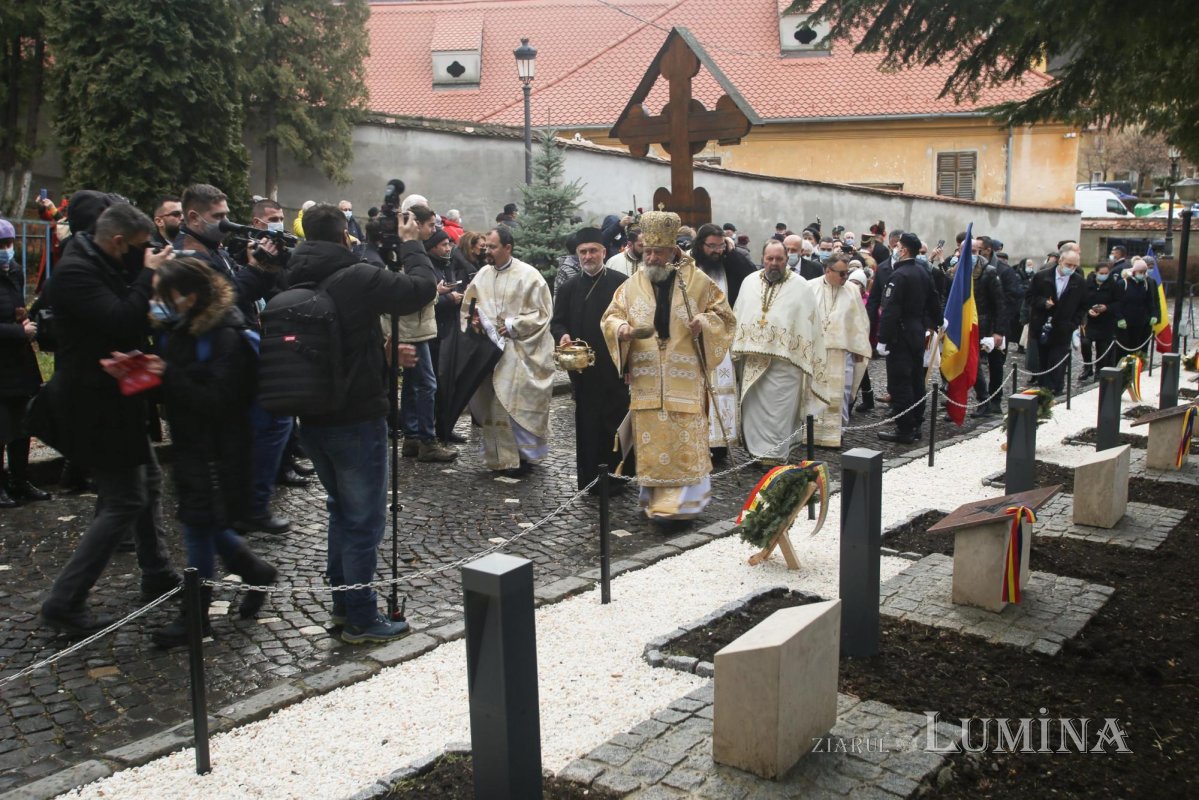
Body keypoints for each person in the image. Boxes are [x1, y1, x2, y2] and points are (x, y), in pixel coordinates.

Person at [287, 203, 436, 644]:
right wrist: (411, 244)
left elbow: (338, 343)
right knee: (364, 520)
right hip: (355, 416)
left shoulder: (296, 273)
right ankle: (361, 616)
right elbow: (419, 290)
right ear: (344, 236)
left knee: (340, 511)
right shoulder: (352, 274)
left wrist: (383, 355)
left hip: (313, 414)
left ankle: (342, 602)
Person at [38, 203, 179, 635]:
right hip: (91, 404)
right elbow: (120, 318)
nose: (143, 255)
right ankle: (65, 601)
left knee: (149, 483)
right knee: (124, 501)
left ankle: (156, 570)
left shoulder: (102, 262)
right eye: (138, 249)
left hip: (119, 394)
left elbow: (135, 320)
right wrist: (149, 275)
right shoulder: (77, 272)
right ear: (118, 241)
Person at [135, 258, 278, 647]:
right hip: (193, 443)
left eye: (165, 295)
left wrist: (167, 375)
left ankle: (195, 619)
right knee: (203, 522)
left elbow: (219, 398)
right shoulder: (181, 327)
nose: (157, 302)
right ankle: (255, 570)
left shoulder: (227, 333)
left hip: (220, 448)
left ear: (191, 296)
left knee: (198, 525)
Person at [600, 211, 735, 529]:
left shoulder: (698, 282)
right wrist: (619, 329)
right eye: (646, 251)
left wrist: (704, 322)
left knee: (683, 442)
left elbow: (724, 317)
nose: (650, 257)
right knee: (652, 443)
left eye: (657, 251)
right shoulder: (632, 284)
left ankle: (686, 505)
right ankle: (656, 502)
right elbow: (611, 315)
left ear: (673, 249)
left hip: (684, 380)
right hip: (647, 382)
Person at [461, 226, 555, 474]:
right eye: (486, 247)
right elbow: (468, 307)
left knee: (513, 402)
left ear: (508, 248)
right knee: (493, 403)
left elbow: (543, 313)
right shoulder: (482, 274)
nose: (487, 251)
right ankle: (499, 457)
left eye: (492, 247)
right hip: (490, 354)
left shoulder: (529, 276)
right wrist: (472, 320)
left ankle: (523, 455)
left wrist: (514, 325)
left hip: (521, 351)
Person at [731, 240, 828, 462]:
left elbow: (810, 325)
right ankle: (756, 455)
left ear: (787, 260)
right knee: (754, 412)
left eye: (779, 259)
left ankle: (775, 456)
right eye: (769, 259)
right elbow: (739, 314)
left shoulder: (801, 286)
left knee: (779, 413)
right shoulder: (749, 282)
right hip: (752, 361)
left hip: (786, 365)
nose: (774, 264)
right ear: (763, 259)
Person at [550, 227, 629, 490]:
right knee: (587, 424)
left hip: (614, 367)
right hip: (583, 370)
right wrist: (562, 336)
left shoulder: (621, 283)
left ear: (604, 252)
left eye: (593, 250)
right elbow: (557, 322)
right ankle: (590, 480)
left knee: (614, 424)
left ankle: (618, 479)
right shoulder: (570, 287)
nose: (588, 256)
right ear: (577, 254)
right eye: (583, 252)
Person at [397, 207, 458, 463]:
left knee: (412, 386)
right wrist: (437, 293)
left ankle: (412, 437)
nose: (434, 230)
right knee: (426, 385)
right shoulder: (410, 253)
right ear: (417, 224)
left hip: (414, 326)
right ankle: (427, 441)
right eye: (431, 225)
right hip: (413, 328)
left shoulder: (411, 251)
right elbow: (416, 291)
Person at [0, 218, 50, 506]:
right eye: (1, 245)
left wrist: (26, 321)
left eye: (8, 244)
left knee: (22, 426)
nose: (6, 250)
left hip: (20, 362)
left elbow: (17, 308)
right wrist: (17, 331)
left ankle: (21, 480)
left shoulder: (15, 271)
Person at [691, 223, 752, 457]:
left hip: (722, 336)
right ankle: (697, 441)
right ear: (700, 244)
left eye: (719, 245)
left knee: (720, 389)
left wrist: (731, 251)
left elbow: (748, 276)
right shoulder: (689, 263)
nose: (716, 251)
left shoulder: (729, 262)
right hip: (694, 336)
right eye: (711, 246)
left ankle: (718, 444)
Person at [876, 232, 941, 444]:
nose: (895, 249)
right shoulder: (923, 271)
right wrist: (938, 321)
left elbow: (890, 309)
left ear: (903, 250)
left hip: (900, 334)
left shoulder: (899, 275)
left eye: (898, 247)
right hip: (917, 331)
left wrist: (883, 338)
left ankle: (904, 428)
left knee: (900, 383)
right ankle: (916, 423)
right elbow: (934, 299)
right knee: (916, 380)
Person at [809, 252, 871, 447]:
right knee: (812, 392)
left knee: (841, 394)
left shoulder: (852, 290)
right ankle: (810, 433)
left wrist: (859, 347)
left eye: (847, 273)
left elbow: (859, 322)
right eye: (842, 273)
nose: (846, 277)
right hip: (815, 351)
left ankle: (837, 433)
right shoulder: (810, 287)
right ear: (828, 271)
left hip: (842, 352)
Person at [1026, 247, 1086, 395]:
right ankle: (1044, 390)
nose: (1071, 268)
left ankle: (1056, 391)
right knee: (1044, 360)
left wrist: (1074, 323)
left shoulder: (1079, 281)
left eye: (1074, 266)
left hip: (1064, 328)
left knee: (1058, 361)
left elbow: (1083, 305)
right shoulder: (1041, 277)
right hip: (1042, 326)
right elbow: (1029, 297)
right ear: (1060, 261)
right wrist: (1043, 302)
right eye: (1068, 265)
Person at [969, 238, 1007, 417]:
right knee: (973, 364)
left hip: (989, 326)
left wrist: (998, 331)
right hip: (969, 325)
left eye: (975, 251)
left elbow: (999, 304)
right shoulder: (955, 272)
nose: (971, 255)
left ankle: (995, 400)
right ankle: (983, 399)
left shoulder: (989, 272)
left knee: (995, 364)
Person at [1081, 261, 1125, 379]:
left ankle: (1099, 371)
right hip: (1089, 321)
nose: (1104, 275)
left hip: (1106, 321)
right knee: (1085, 343)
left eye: (1106, 273)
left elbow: (1118, 302)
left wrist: (1106, 307)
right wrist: (1088, 310)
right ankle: (1087, 368)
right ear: (1096, 273)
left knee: (1102, 347)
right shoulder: (1087, 284)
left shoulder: (1113, 285)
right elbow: (1082, 301)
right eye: (1101, 273)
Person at [1117, 257, 1157, 357]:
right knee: (1123, 346)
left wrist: (1153, 314)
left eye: (1144, 272)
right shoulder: (1123, 283)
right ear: (1134, 271)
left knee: (1136, 345)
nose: (1142, 274)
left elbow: (1149, 301)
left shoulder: (1145, 284)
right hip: (1125, 322)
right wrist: (1119, 318)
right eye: (1140, 272)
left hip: (1139, 322)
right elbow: (1117, 302)